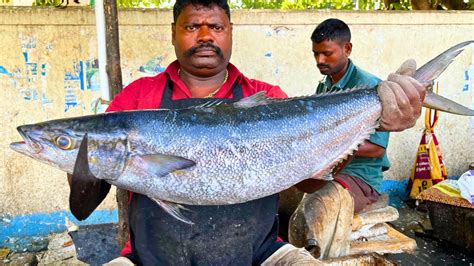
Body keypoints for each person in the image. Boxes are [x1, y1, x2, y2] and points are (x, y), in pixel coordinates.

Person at [102, 2, 425, 265]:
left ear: (230, 33)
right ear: (173, 33)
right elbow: (84, 201)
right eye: (191, 26)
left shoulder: (266, 96)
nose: (204, 36)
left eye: (215, 27)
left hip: (262, 254)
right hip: (148, 258)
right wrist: (79, 166)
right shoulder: (136, 98)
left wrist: (367, 124)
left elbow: (310, 181)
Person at [288, 18, 398, 259]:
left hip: (360, 178)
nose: (320, 61)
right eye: (315, 54)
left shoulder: (371, 89)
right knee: (283, 192)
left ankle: (322, 260)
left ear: (347, 49)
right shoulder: (324, 87)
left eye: (327, 54)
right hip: (329, 168)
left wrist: (330, 144)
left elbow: (377, 149)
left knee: (318, 204)